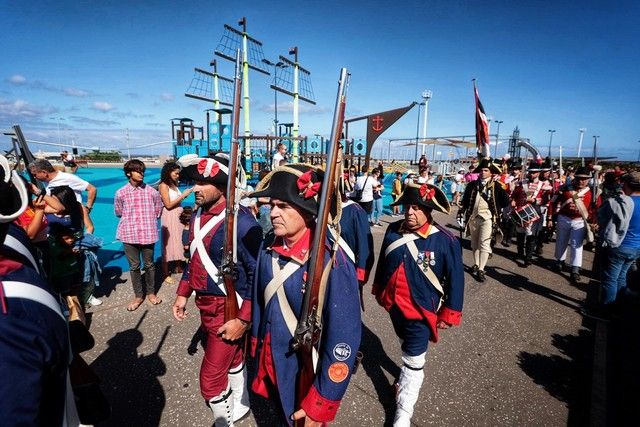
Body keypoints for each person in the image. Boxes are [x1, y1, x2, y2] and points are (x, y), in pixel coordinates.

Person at [249, 164, 361, 426]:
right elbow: (258, 300)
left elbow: (343, 339)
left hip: (303, 370)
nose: (273, 212)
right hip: (271, 360)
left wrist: (321, 400)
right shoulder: (269, 245)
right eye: (272, 205)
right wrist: (254, 343)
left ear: (309, 213)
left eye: (283, 206)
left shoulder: (333, 261)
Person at [172, 153, 263, 425]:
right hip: (206, 304)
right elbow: (196, 260)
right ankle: (241, 402)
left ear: (223, 187)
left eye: (202, 183)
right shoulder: (198, 214)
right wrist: (182, 293)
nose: (195, 188)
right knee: (234, 358)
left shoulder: (243, 223)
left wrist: (244, 319)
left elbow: (257, 275)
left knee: (210, 380)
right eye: (194, 181)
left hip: (228, 307)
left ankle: (224, 422)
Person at [373, 181, 464, 426]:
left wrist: (450, 313)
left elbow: (456, 279)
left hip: (421, 312)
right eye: (407, 207)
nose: (410, 213)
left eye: (416, 208)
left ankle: (403, 414)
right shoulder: (393, 230)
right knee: (407, 352)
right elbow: (383, 263)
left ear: (428, 210)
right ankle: (404, 379)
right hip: (394, 308)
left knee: (414, 363)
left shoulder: (446, 241)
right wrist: (379, 289)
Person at [0, 154, 72, 425]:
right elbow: (28, 233)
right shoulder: (15, 227)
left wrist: (38, 194)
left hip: (34, 257)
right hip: (33, 254)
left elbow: (58, 208)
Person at [114, 159, 163, 311]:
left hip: (148, 233)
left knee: (149, 265)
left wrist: (147, 222)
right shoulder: (121, 193)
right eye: (137, 171)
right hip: (129, 234)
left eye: (142, 171)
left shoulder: (152, 192)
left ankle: (151, 292)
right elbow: (119, 212)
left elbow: (158, 210)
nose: (141, 173)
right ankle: (138, 295)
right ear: (129, 173)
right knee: (134, 267)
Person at [459, 158, 509, 281]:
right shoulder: (472, 185)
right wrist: (460, 213)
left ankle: (481, 269)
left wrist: (500, 189)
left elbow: (505, 202)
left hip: (488, 219)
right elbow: (465, 201)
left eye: (486, 170)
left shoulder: (496, 186)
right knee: (474, 244)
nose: (482, 172)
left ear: (491, 172)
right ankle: (476, 264)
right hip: (473, 217)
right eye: (481, 170)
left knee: (484, 244)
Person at [597, 171, 640, 313]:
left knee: (610, 279)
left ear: (627, 184)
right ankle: (619, 306)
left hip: (619, 245)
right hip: (636, 247)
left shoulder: (621, 202)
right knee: (622, 277)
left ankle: (606, 310)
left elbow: (601, 217)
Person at [550, 166, 601, 283]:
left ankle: (575, 268)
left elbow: (597, 209)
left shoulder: (593, 192)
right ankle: (559, 261)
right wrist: (550, 217)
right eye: (579, 178)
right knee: (561, 241)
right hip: (564, 218)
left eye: (584, 179)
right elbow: (553, 202)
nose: (581, 181)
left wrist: (594, 221)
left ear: (589, 179)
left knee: (576, 245)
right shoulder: (565, 188)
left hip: (580, 221)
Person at [29, 158, 96, 232]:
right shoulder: (47, 181)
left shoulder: (68, 178)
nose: (34, 177)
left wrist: (88, 208)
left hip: (72, 219)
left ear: (44, 172)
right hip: (56, 218)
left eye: (35, 175)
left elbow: (92, 189)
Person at [159, 161, 193, 284]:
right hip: (170, 215)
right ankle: (165, 273)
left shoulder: (174, 184)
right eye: (176, 173)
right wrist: (183, 195)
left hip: (178, 214)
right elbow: (168, 205)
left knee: (179, 240)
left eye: (178, 173)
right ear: (168, 172)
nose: (178, 175)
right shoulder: (163, 185)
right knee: (167, 244)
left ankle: (178, 266)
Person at [511, 160, 548, 266]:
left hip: (534, 213)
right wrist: (513, 200)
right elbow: (515, 194)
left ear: (538, 173)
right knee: (520, 234)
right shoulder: (522, 183)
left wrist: (536, 200)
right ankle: (520, 253)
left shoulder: (543, 185)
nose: (532, 174)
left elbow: (546, 200)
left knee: (531, 236)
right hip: (521, 212)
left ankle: (528, 257)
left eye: (534, 172)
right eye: (531, 172)